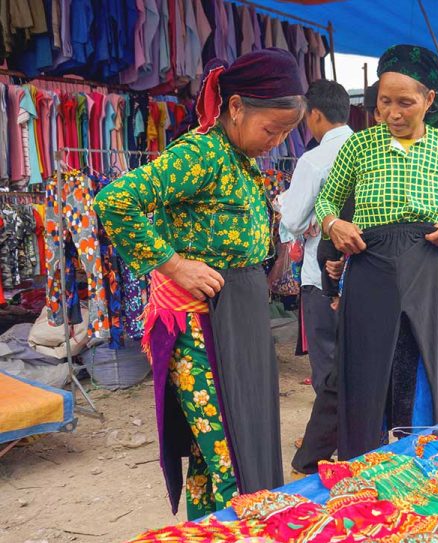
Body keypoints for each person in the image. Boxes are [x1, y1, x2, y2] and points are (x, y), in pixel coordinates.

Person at [95, 50, 306, 518]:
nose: (276, 141)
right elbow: (115, 201)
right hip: (201, 322)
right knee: (227, 447)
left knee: (230, 446)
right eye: (271, 129)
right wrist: (173, 265)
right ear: (235, 108)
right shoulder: (202, 154)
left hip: (239, 316)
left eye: (287, 133)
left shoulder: (238, 157)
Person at [313, 44, 438, 463]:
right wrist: (334, 224)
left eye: (405, 103)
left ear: (429, 100)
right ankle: (365, 459)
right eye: (384, 103)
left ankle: (424, 455)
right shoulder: (359, 147)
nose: (393, 113)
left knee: (424, 358)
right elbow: (327, 201)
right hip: (370, 264)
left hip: (429, 265)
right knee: (369, 360)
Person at [279, 80, 353, 397]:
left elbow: (293, 220)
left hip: (322, 274)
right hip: (365, 273)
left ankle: (332, 438)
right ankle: (365, 436)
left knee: (327, 362)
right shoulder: (368, 150)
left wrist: (282, 205)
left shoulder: (315, 160)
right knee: (360, 360)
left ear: (317, 115)